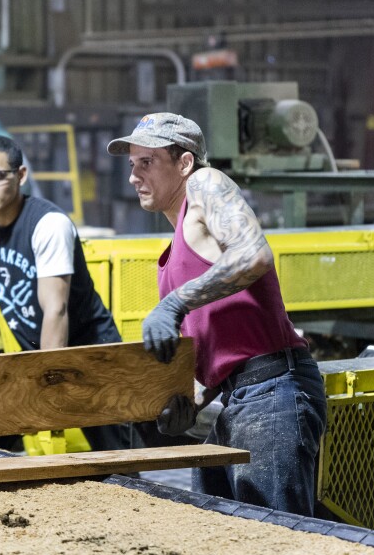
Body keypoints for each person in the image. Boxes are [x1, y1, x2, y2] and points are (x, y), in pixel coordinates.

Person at [107, 112, 326, 515]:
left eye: (147, 162)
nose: (134, 176)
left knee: (276, 539)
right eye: (132, 164)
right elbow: (221, 344)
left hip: (271, 390)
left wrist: (174, 304)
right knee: (218, 525)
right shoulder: (173, 250)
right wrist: (189, 404)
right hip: (239, 398)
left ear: (184, 162)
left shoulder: (206, 184)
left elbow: (254, 254)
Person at [0, 135, 126, 451]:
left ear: (20, 176)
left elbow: (55, 309)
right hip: (42, 354)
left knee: (117, 462)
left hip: (92, 357)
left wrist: (48, 379)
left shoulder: (48, 224)